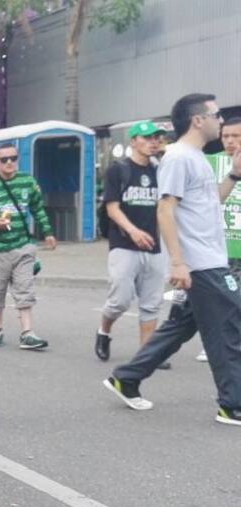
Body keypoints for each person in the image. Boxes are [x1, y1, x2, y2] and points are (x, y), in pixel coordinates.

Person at [104, 93, 241, 427]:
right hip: (200, 262)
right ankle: (232, 404)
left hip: (207, 257)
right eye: (216, 114)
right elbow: (165, 209)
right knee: (230, 325)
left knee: (180, 327)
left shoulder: (195, 158)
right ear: (198, 120)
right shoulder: (179, 157)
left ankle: (127, 377)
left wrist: (234, 175)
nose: (220, 121)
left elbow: (210, 204)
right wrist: (178, 264)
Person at [0, 142, 58, 350]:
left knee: (24, 288)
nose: (9, 162)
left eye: (13, 158)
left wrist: (47, 232)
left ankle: (27, 333)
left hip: (22, 246)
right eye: (4, 159)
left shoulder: (28, 182)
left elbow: (38, 209)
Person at [96, 121, 167, 364]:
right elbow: (112, 208)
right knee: (120, 300)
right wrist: (133, 231)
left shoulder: (161, 171)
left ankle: (146, 354)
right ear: (133, 141)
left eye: (157, 138)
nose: (153, 142)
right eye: (147, 138)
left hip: (154, 246)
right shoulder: (119, 170)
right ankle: (104, 330)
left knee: (152, 303)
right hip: (124, 245)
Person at [196, 116, 241, 363]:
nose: (230, 141)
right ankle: (214, 343)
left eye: (236, 136)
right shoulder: (210, 163)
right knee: (222, 301)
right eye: (226, 136)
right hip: (219, 248)